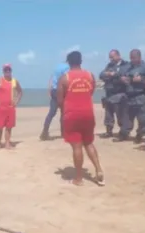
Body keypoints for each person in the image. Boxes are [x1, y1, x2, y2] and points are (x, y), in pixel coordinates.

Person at [57, 51, 104, 187]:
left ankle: (78, 178)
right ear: (81, 61)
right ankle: (98, 169)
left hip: (72, 114)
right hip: (88, 113)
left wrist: (65, 109)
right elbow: (91, 91)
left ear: (68, 62)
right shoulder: (90, 75)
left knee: (77, 146)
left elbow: (60, 100)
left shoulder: (64, 78)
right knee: (88, 142)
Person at [120, 49, 145, 143]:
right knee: (127, 118)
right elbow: (121, 75)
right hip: (129, 95)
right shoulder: (127, 67)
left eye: (134, 58)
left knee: (143, 119)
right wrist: (123, 79)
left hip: (141, 96)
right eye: (131, 58)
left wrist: (142, 79)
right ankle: (124, 134)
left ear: (139, 57)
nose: (132, 60)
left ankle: (140, 134)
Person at [0, 64, 23, 149]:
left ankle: (7, 143)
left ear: (11, 71)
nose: (7, 72)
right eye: (6, 70)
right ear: (3, 71)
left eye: (9, 70)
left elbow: (20, 92)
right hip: (0, 108)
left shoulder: (15, 81)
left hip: (10, 108)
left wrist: (16, 101)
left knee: (9, 127)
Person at [98, 49, 129, 138]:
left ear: (118, 55)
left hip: (119, 93)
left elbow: (124, 76)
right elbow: (101, 74)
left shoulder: (125, 65)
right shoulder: (109, 65)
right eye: (110, 57)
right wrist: (108, 74)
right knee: (108, 114)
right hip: (109, 93)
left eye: (112, 57)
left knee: (120, 115)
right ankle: (109, 131)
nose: (110, 59)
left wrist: (114, 75)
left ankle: (123, 133)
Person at [39, 62, 70, 140]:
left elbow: (51, 78)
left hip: (54, 90)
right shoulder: (67, 68)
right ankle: (63, 133)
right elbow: (66, 79)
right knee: (63, 112)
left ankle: (44, 132)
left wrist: (49, 89)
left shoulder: (57, 67)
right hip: (61, 90)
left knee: (51, 113)